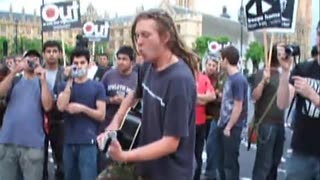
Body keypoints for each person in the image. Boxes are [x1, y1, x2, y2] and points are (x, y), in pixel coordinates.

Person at [97, 9, 198, 180]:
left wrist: (125, 156)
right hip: (145, 167)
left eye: (145, 35)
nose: (139, 43)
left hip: (171, 173)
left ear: (165, 37)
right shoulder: (147, 66)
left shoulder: (179, 80)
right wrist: (115, 122)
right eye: (137, 36)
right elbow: (134, 94)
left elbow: (170, 143)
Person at [0, 49, 53, 180]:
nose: (32, 61)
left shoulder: (44, 83)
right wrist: (14, 71)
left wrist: (43, 80)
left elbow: (47, 106)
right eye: (28, 58)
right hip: (8, 142)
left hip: (33, 145)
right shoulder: (15, 81)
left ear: (40, 62)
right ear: (23, 62)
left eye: (35, 59)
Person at [278, 21, 320, 180]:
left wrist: (313, 95)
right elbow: (282, 103)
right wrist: (285, 71)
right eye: (319, 33)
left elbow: (313, 97)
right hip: (301, 152)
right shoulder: (303, 69)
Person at [57, 48, 106, 180]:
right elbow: (61, 106)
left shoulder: (97, 86)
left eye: (82, 62)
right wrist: (69, 81)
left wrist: (83, 109)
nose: (79, 66)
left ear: (89, 64)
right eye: (76, 63)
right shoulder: (64, 85)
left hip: (88, 142)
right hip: (68, 141)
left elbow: (101, 114)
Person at [97, 45, 137, 176]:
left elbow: (140, 103)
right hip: (108, 123)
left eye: (124, 59)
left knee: (122, 166)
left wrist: (126, 102)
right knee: (104, 163)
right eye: (118, 59)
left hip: (128, 129)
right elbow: (99, 96)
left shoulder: (137, 78)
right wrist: (111, 100)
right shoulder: (109, 75)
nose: (120, 62)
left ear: (132, 62)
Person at [251, 44, 285, 180]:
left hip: (280, 124)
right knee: (263, 165)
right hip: (266, 124)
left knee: (274, 164)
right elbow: (254, 97)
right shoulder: (262, 73)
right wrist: (263, 82)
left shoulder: (283, 75)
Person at [217, 46, 248, 180]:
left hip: (232, 127)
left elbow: (238, 106)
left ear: (226, 60)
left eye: (221, 59)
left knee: (230, 164)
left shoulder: (238, 80)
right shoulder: (230, 78)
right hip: (224, 124)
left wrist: (229, 127)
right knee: (223, 162)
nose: (220, 62)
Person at [42, 40, 66, 180]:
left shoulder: (65, 73)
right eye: (48, 51)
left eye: (54, 51)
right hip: (41, 120)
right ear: (44, 54)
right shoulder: (38, 73)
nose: (51, 54)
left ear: (60, 54)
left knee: (61, 159)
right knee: (41, 160)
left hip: (60, 121)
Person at [194, 60, 216, 180]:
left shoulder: (203, 78)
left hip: (200, 122)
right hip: (190, 122)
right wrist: (204, 99)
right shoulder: (186, 77)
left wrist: (195, 96)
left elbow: (212, 96)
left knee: (197, 154)